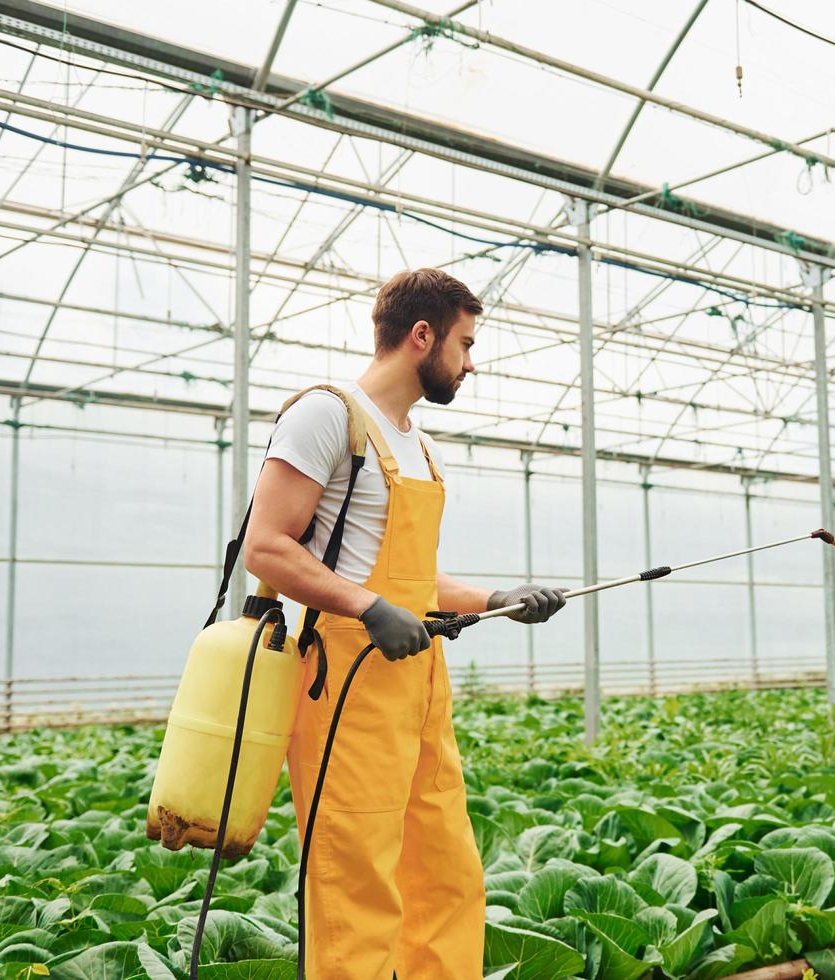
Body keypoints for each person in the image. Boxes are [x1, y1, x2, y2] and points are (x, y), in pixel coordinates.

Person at [245, 267, 566, 977]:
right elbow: (263, 546)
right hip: (349, 685)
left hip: (421, 686)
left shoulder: (419, 445)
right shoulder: (328, 415)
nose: (471, 363)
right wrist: (365, 606)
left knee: (446, 874)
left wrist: (499, 599)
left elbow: (417, 582)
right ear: (421, 336)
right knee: (355, 885)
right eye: (465, 344)